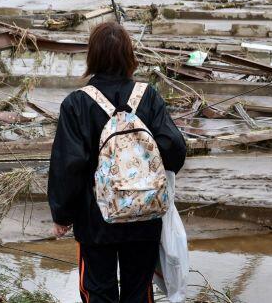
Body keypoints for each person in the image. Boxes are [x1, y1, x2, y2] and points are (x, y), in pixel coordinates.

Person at [48, 21, 187, 303]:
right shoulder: (147, 96)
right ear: (129, 55)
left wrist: (62, 216)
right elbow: (174, 149)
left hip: (95, 219)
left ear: (92, 56)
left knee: (97, 290)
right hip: (145, 214)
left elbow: (69, 166)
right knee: (139, 291)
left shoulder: (76, 103)